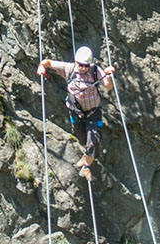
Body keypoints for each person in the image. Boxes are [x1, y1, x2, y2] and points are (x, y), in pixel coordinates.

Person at [37, 46, 116, 181]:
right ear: (76, 62)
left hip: (93, 112)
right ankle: (86, 153)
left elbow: (108, 87)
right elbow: (48, 62)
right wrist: (41, 66)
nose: (83, 68)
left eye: (86, 65)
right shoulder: (69, 69)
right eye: (81, 65)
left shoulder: (95, 71)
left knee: (94, 141)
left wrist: (109, 75)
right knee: (80, 137)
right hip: (75, 111)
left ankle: (86, 167)